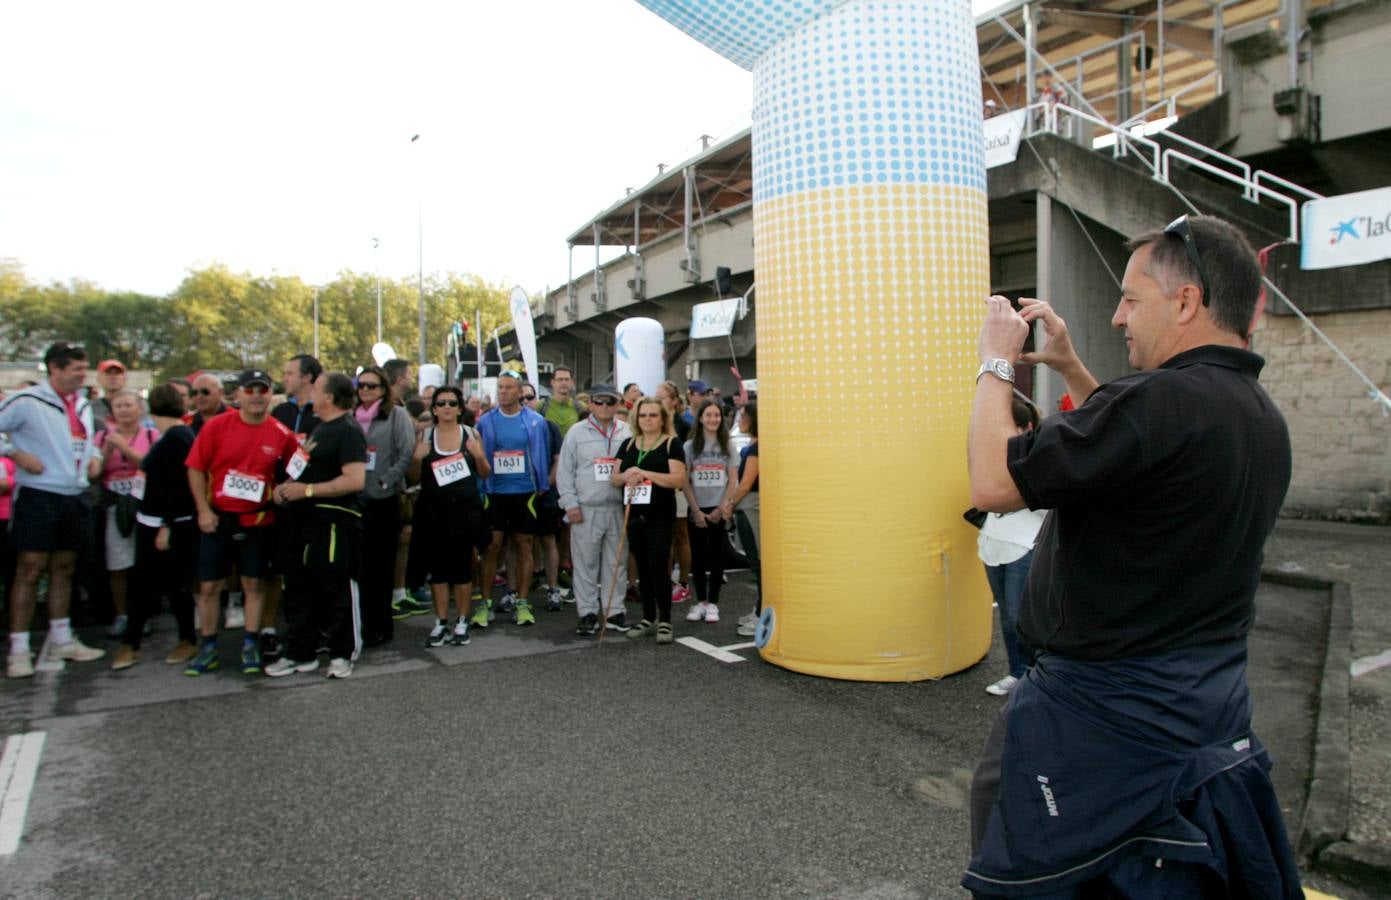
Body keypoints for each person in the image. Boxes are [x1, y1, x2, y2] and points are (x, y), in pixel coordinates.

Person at [963, 215, 1299, 896]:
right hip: (1199, 707)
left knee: (1038, 867)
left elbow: (993, 482)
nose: (1117, 317)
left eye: (1130, 299)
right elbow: (1125, 449)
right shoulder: (1255, 414)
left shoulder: (1159, 401)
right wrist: (1067, 366)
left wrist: (996, 360)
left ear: (1185, 302)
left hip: (1097, 714)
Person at [183, 369, 300, 676]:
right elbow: (195, 468)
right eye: (250, 391)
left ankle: (250, 642)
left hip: (258, 519)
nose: (257, 396)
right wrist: (202, 512)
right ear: (238, 395)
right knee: (208, 586)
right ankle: (208, 646)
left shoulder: (280, 432)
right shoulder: (217, 426)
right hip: (218, 518)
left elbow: (296, 468)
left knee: (253, 583)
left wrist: (284, 489)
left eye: (263, 390)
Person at [0, 342, 106, 677]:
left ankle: (61, 637)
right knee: (30, 569)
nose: (82, 374)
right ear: (55, 370)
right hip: (37, 494)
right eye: (76, 368)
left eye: (83, 367)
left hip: (74, 495)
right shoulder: (27, 400)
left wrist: (94, 458)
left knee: (64, 567)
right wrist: (16, 455)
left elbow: (88, 442)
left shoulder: (85, 405)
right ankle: (19, 647)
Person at [266, 372, 368, 679]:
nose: (311, 392)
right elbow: (300, 470)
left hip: (333, 521)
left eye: (317, 387)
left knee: (335, 588)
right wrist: (284, 489)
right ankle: (301, 652)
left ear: (329, 396)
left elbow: (354, 479)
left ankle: (341, 653)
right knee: (299, 588)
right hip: (302, 522)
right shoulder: (320, 429)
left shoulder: (348, 430)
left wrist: (307, 491)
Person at [110, 384, 199, 670]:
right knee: (143, 586)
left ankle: (186, 639)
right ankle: (131, 643)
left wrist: (167, 525)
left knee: (174, 586)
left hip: (165, 524)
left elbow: (179, 487)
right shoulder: (174, 435)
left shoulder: (176, 438)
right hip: (151, 521)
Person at [406, 386, 491, 648]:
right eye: (441, 403)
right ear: (433, 409)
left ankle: (462, 620)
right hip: (433, 510)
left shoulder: (471, 434)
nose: (446, 407)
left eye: (452, 403)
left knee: (462, 568)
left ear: (459, 407)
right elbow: (412, 478)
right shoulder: (425, 436)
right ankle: (441, 621)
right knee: (438, 570)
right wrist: (417, 460)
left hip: (464, 510)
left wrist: (477, 455)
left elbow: (485, 473)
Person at [974, 396, 1045, 697]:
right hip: (993, 542)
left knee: (1020, 615)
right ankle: (1017, 673)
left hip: (1024, 544)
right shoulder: (993, 454)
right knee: (1006, 613)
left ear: (1026, 427)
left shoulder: (1041, 458)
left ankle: (1035, 677)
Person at [472, 372, 552, 629]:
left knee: (524, 545)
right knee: (492, 546)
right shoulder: (486, 422)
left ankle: (522, 600)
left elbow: (543, 454)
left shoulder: (536, 421)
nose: (503, 392)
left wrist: (541, 485)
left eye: (509, 388)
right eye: (500, 388)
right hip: (495, 492)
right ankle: (484, 603)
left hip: (524, 492)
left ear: (520, 392)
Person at [557, 384, 632, 636]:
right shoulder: (576, 433)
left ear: (617, 403)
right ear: (590, 404)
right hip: (586, 508)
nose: (604, 407)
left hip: (617, 507)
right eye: (599, 402)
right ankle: (587, 612)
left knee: (617, 562)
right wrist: (570, 504)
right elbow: (565, 471)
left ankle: (614, 610)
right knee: (586, 562)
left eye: (609, 402)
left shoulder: (626, 431)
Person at [612, 397, 686, 644]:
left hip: (661, 515)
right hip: (634, 515)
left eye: (653, 415)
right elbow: (614, 478)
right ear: (637, 418)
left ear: (662, 418)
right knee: (642, 565)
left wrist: (644, 473)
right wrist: (627, 476)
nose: (648, 419)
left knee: (658, 564)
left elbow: (677, 480)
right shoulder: (628, 444)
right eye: (643, 415)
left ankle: (665, 619)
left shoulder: (671, 444)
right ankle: (647, 616)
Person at [352, 365, 415, 646]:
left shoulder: (396, 415)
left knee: (381, 567)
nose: (365, 391)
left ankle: (380, 625)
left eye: (372, 386)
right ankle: (358, 623)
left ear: (383, 389)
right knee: (358, 567)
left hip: (383, 500)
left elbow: (405, 453)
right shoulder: (350, 416)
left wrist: (386, 482)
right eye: (361, 385)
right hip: (354, 499)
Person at [93, 390, 159, 639]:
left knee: (143, 561)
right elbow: (93, 473)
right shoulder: (102, 437)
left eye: (128, 405)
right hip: (115, 506)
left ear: (139, 409)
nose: (123, 410)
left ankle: (144, 612)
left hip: (144, 504)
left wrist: (125, 449)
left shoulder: (152, 435)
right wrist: (108, 451)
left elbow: (153, 465)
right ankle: (122, 614)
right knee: (117, 563)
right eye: (118, 406)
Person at [682, 399, 738, 625]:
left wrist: (722, 507)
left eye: (717, 415)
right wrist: (695, 510)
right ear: (701, 418)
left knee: (716, 556)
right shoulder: (689, 446)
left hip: (718, 508)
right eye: (709, 415)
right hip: (696, 507)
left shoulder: (728, 445)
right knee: (697, 556)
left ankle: (713, 603)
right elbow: (684, 480)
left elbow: (733, 479)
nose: (713, 419)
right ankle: (701, 601)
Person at [720, 402, 760, 637]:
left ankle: (761, 612)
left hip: (751, 508)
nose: (739, 420)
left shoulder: (756, 449)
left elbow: (745, 484)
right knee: (755, 560)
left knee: (757, 561)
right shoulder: (754, 446)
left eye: (743, 415)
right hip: (748, 507)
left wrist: (729, 502)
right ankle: (758, 608)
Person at [654, 380, 693, 604]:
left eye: (662, 398)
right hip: (657, 486)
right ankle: (664, 581)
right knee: (663, 537)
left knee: (680, 534)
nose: (658, 401)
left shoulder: (683, 426)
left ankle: (684, 582)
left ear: (674, 401)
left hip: (679, 487)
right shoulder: (651, 422)